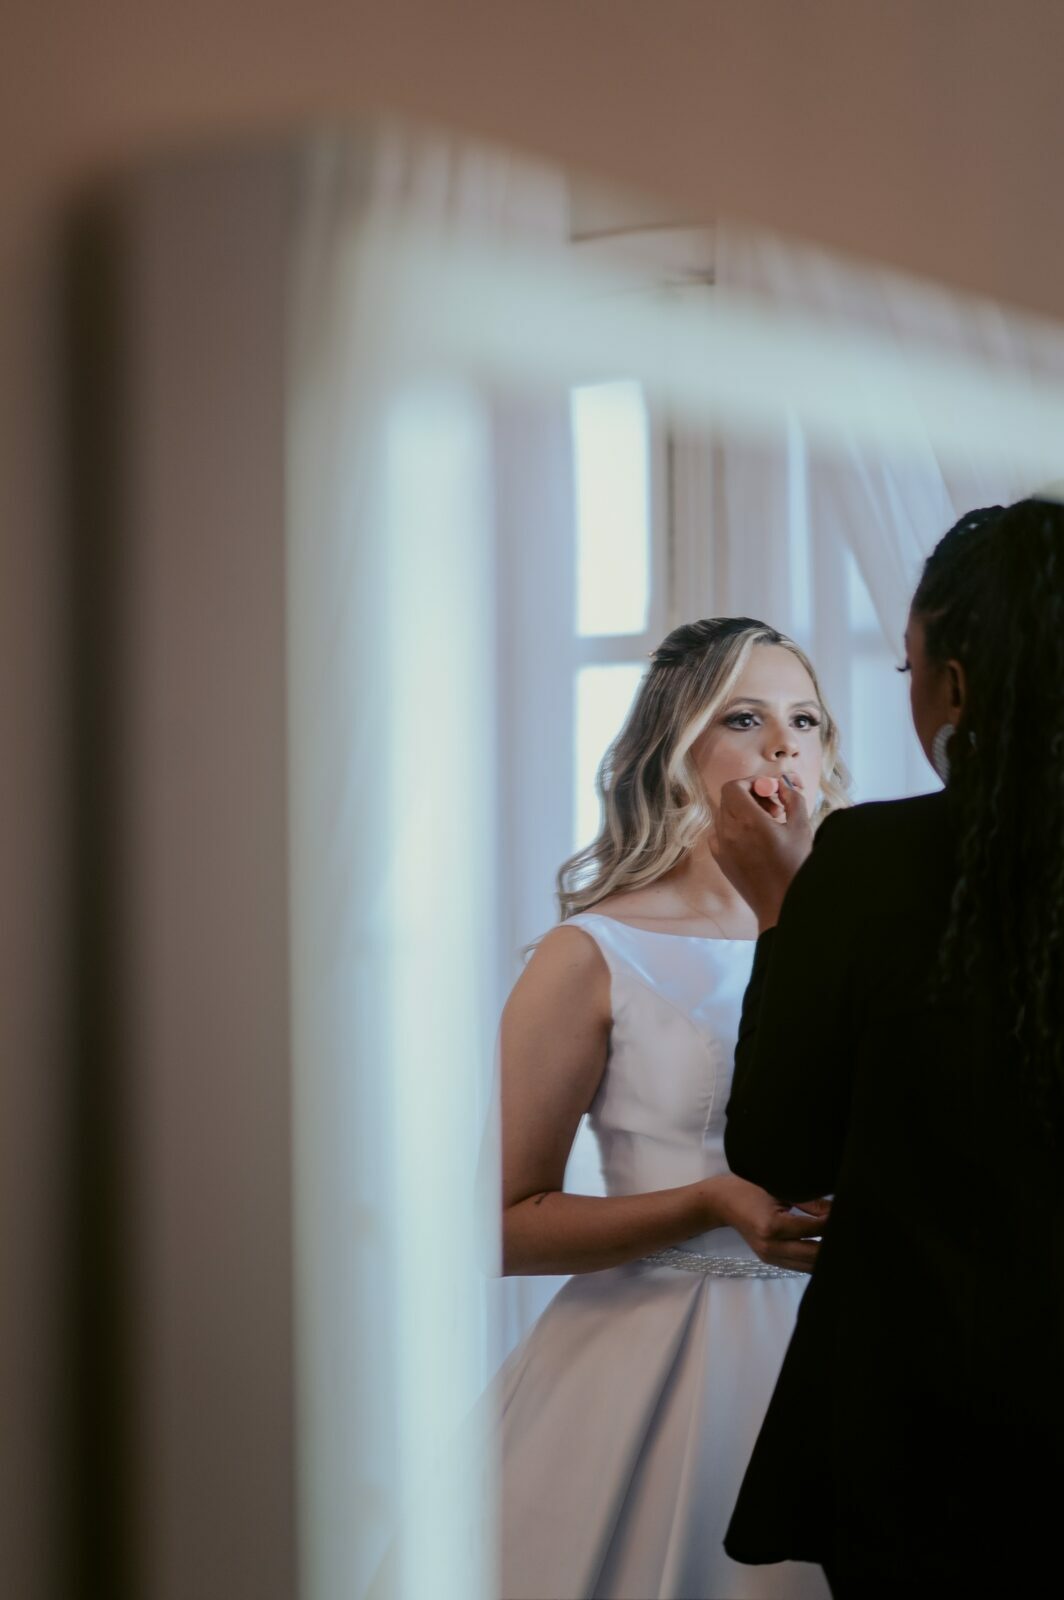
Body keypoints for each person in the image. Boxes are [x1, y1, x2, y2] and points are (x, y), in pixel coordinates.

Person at [712, 499, 1064, 1597]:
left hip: (925, 1440)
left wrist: (783, 911)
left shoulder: (868, 861)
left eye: (908, 668)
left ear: (954, 684)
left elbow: (782, 1148)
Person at [497, 617, 848, 1600]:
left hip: (850, 1352)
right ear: (673, 749)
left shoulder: (868, 939)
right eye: (744, 718)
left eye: (805, 720)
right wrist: (706, 1201)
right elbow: (502, 1223)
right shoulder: (592, 952)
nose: (782, 747)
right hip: (652, 1356)